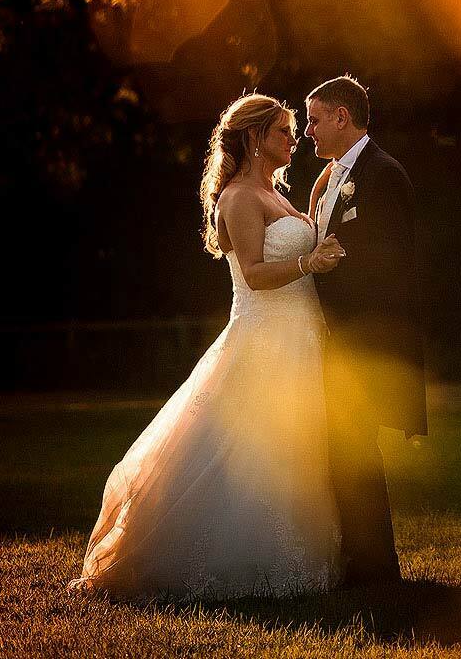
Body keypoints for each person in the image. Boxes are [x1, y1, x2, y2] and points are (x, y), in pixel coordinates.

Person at [72, 94, 346, 599]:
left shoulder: (277, 192)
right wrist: (310, 264)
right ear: (254, 138)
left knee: (296, 445)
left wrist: (318, 214)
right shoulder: (239, 197)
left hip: (300, 335)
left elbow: (296, 240)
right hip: (264, 338)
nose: (293, 140)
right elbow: (257, 274)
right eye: (284, 131)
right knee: (255, 448)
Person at [303, 74, 426, 587]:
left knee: (357, 452)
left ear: (341, 116)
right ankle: (361, 561)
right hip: (335, 339)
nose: (308, 130)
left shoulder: (383, 175)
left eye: (314, 119)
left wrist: (329, 269)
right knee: (342, 452)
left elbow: (390, 265)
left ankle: (376, 571)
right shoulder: (331, 177)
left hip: (364, 340)